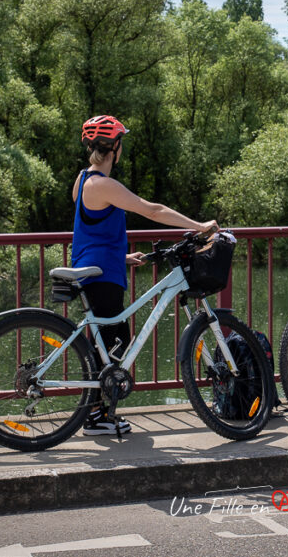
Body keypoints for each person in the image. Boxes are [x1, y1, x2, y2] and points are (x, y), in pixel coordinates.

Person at [72, 114, 217, 436]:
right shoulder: (104, 184)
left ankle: (96, 413)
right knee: (116, 340)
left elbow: (89, 232)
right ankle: (96, 418)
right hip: (101, 275)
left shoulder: (82, 180)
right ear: (116, 148)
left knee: (103, 343)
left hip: (96, 266)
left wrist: (121, 256)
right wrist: (199, 226)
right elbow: (151, 210)